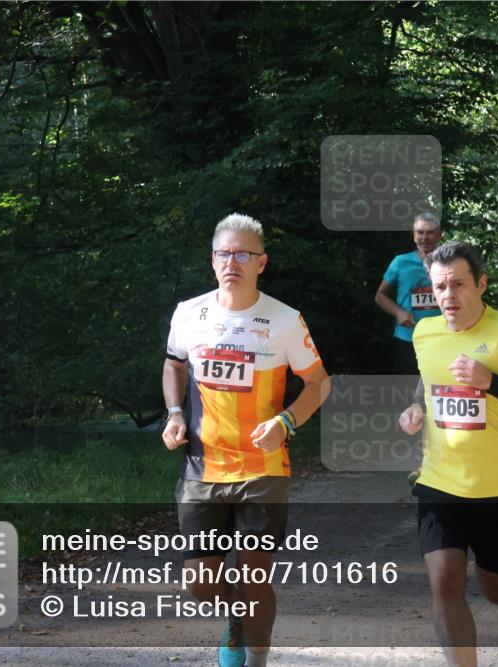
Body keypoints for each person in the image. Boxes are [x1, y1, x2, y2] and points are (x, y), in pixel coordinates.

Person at [161, 213, 329, 667]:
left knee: (255, 577)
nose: (231, 261)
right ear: (212, 260)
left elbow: (318, 384)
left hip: (264, 468)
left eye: (242, 254)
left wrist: (286, 423)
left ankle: (256, 659)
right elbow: (174, 364)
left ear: (262, 263)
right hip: (204, 467)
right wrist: (175, 413)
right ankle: (236, 619)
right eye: (223, 253)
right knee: (199, 584)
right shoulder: (188, 313)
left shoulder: (285, 321)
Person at [397, 241, 498, 667]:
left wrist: (490, 382)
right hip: (439, 481)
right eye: (439, 287)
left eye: (458, 284)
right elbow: (427, 381)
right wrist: (416, 406)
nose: (448, 295)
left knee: (495, 588)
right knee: (444, 583)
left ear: (481, 284)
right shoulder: (424, 331)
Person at [374, 213, 443, 376]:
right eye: (420, 232)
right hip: (408, 337)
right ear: (413, 236)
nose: (424, 237)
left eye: (430, 232)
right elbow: (380, 296)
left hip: (441, 336)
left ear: (439, 235)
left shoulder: (449, 261)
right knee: (407, 391)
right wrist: (398, 313)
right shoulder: (400, 262)